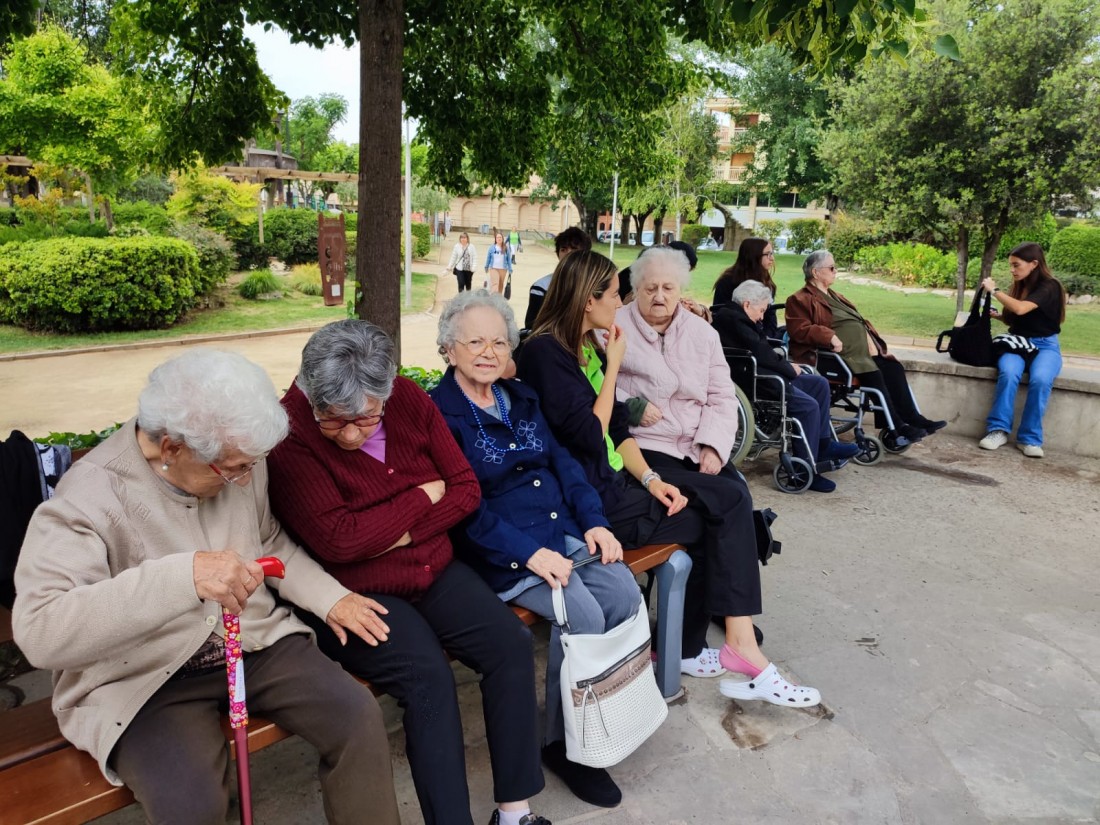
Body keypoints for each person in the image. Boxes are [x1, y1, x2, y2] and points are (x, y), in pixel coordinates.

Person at [12, 349, 400, 825]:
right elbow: (40, 629)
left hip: (251, 641)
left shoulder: (237, 458)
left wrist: (330, 598)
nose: (243, 479)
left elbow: (267, 540)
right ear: (171, 449)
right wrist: (183, 578)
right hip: (146, 676)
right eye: (232, 469)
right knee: (191, 806)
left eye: (249, 466)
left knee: (355, 716)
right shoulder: (88, 496)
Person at [266, 320, 549, 825]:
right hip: (356, 594)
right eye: (334, 420)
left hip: (434, 569)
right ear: (311, 395)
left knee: (509, 643)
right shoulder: (289, 431)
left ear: (386, 391)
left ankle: (514, 812)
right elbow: (339, 541)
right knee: (427, 679)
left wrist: (393, 532)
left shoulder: (408, 399)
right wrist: (421, 496)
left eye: (365, 418)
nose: (351, 433)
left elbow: (464, 489)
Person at [517, 250, 821, 708]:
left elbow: (619, 429)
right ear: (587, 300)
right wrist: (614, 364)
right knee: (726, 507)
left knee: (721, 510)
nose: (622, 302)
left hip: (624, 477)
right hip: (590, 504)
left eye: (667, 288)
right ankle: (733, 646)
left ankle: (693, 646)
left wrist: (652, 479)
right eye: (619, 293)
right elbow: (591, 432)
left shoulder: (586, 344)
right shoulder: (551, 352)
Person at [430, 290, 642, 809]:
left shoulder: (520, 397)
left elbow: (564, 464)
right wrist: (528, 554)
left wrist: (595, 523)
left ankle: (601, 713)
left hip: (558, 528)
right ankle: (566, 746)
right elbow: (463, 509)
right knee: (582, 611)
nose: (489, 352)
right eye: (474, 342)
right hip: (501, 549)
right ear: (448, 349)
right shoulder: (439, 414)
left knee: (622, 591)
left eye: (499, 342)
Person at [785, 249, 946, 449]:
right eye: (832, 268)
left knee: (893, 368)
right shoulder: (799, 299)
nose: (836, 271)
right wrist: (829, 336)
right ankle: (897, 426)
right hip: (833, 357)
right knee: (874, 374)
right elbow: (799, 330)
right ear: (816, 272)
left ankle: (914, 418)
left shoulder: (834, 295)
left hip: (858, 354)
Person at [713, 280, 861, 492]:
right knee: (808, 407)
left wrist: (786, 366)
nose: (762, 316)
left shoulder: (737, 316)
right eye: (761, 310)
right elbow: (762, 353)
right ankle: (804, 470)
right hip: (756, 379)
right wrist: (789, 368)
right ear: (747, 304)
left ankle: (823, 446)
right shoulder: (734, 320)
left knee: (819, 384)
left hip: (764, 372)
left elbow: (762, 349)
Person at [978, 242, 1066, 457]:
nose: (1012, 270)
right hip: (1017, 343)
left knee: (1041, 380)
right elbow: (1016, 317)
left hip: (1045, 346)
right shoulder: (1021, 285)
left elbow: (1021, 308)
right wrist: (998, 316)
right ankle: (998, 430)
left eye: (1016, 265)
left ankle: (1029, 439)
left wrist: (994, 290)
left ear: (1034, 264)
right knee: (1009, 373)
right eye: (1011, 265)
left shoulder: (1050, 286)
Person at [525, 227, 592, 329]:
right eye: (563, 250)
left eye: (574, 249)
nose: (568, 254)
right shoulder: (541, 287)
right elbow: (531, 326)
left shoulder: (595, 286)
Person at [713, 237, 780, 337]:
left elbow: (770, 319)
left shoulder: (766, 282)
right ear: (754, 256)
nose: (772, 258)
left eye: (772, 253)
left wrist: (765, 339)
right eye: (768, 254)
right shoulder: (728, 282)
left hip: (761, 337)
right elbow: (718, 315)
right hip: (732, 338)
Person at [485, 231, 513, 296]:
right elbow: (488, 258)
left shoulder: (506, 248)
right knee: (495, 283)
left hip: (503, 269)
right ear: (495, 239)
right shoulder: (491, 247)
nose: (499, 239)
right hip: (493, 268)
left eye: (500, 237)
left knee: (500, 284)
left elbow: (509, 259)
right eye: (497, 237)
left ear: (502, 239)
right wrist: (486, 266)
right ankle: (493, 297)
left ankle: (499, 297)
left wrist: (510, 268)